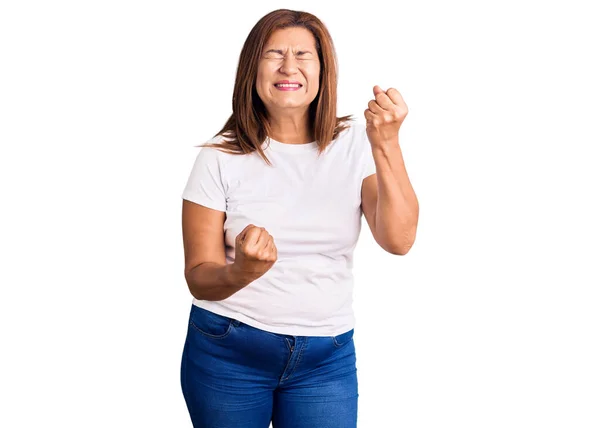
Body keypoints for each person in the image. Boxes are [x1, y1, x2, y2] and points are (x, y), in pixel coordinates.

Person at [179, 8, 419, 428]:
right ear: (252, 69)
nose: (289, 66)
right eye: (274, 54)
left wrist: (386, 143)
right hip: (228, 350)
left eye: (303, 55)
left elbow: (398, 240)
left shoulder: (355, 146)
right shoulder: (219, 156)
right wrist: (243, 272)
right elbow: (198, 275)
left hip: (325, 358)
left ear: (323, 70)